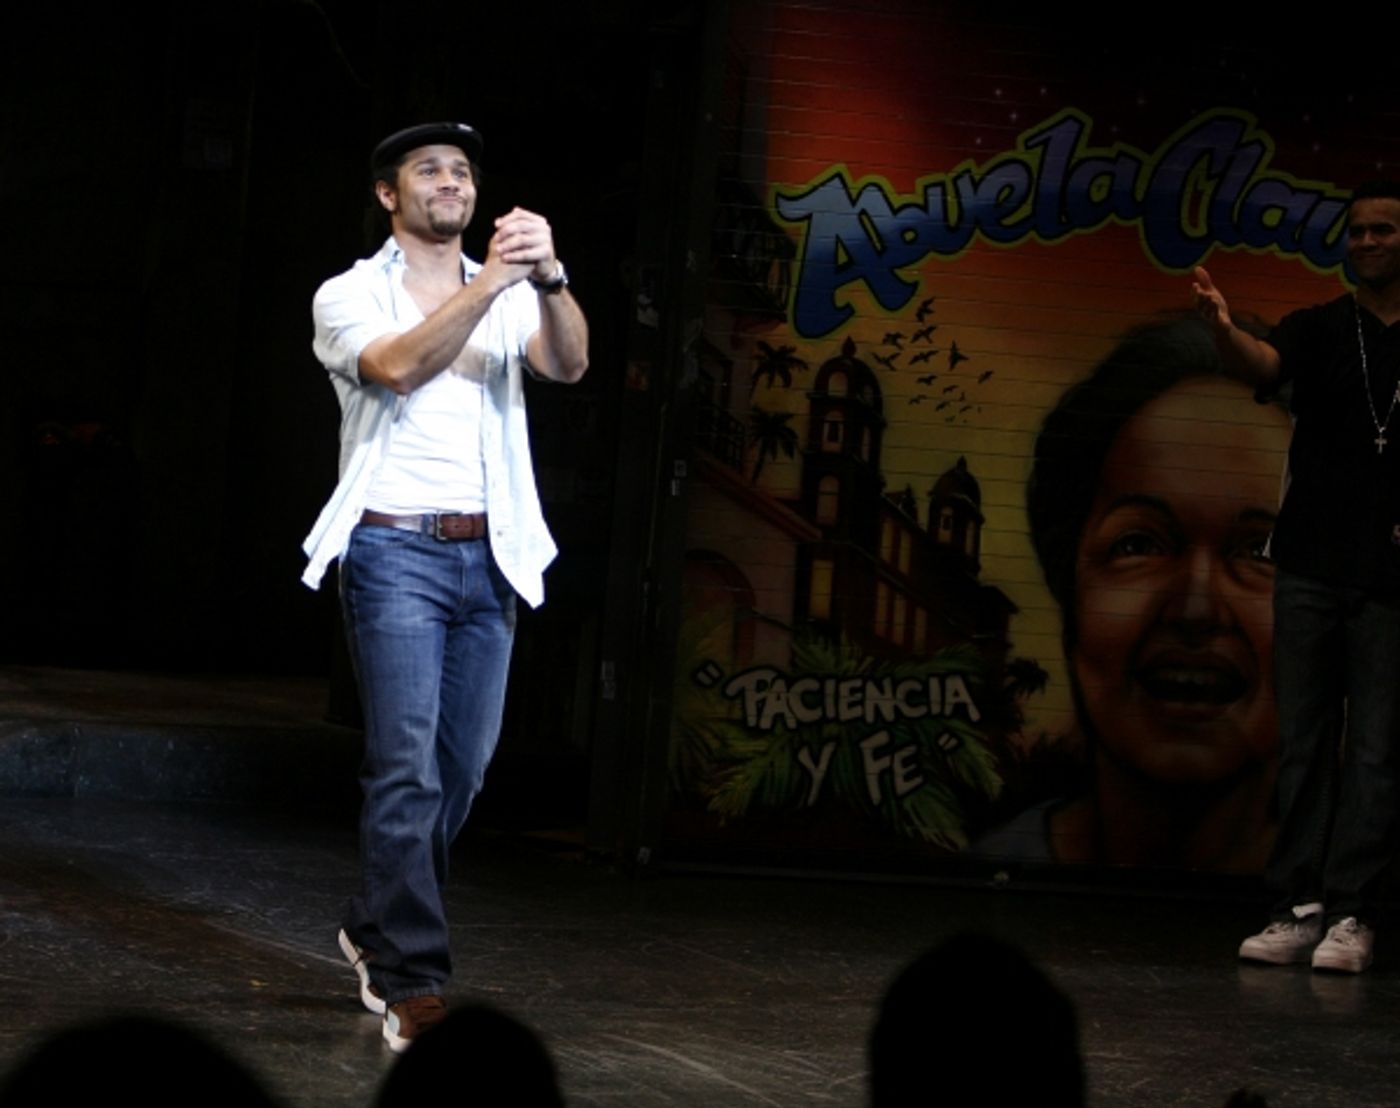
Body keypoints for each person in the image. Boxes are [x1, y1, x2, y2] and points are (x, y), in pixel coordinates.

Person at [301, 121, 588, 1048]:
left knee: (461, 769)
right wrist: (493, 284)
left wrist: (550, 279)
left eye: (462, 170)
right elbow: (397, 366)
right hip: (394, 552)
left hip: (490, 553)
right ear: (389, 195)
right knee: (406, 765)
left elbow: (569, 363)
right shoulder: (351, 292)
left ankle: (373, 921)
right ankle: (409, 976)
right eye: (429, 170)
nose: (452, 182)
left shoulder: (505, 290)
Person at [978, 317, 1291, 869]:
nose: (1195, 609)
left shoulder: (1362, 897)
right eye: (1139, 544)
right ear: (1070, 581)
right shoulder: (985, 885)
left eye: (1260, 551)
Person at [1193, 180, 1400, 974]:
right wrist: (1224, 331)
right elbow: (1265, 362)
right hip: (1310, 563)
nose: (1366, 241)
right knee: (1305, 744)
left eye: (1383, 230)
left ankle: (1353, 913)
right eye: (1357, 230)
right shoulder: (1320, 327)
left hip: (1391, 576)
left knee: (1375, 751)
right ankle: (1297, 908)